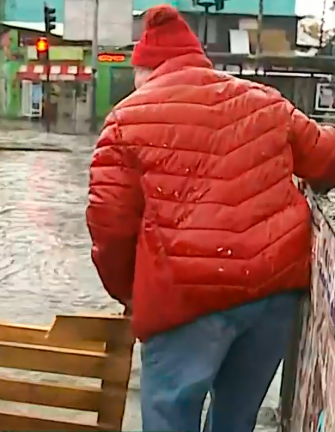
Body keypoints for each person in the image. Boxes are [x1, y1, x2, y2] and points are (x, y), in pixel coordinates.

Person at [85, 5, 335, 432]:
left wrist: (130, 293)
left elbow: (109, 227)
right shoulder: (264, 101)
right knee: (237, 420)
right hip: (271, 294)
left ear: (147, 69)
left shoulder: (125, 121)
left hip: (184, 300)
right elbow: (325, 160)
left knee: (170, 418)